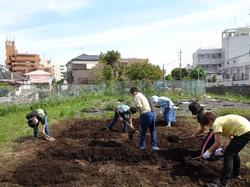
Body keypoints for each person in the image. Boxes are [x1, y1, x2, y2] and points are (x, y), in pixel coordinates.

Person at [199, 112, 250, 187]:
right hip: (246, 129)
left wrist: (208, 152)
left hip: (243, 131)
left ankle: (222, 183)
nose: (208, 126)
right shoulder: (221, 120)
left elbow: (217, 143)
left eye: (207, 124)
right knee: (233, 152)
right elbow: (232, 137)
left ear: (210, 121)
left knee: (228, 155)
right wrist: (225, 147)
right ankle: (235, 174)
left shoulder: (216, 124)